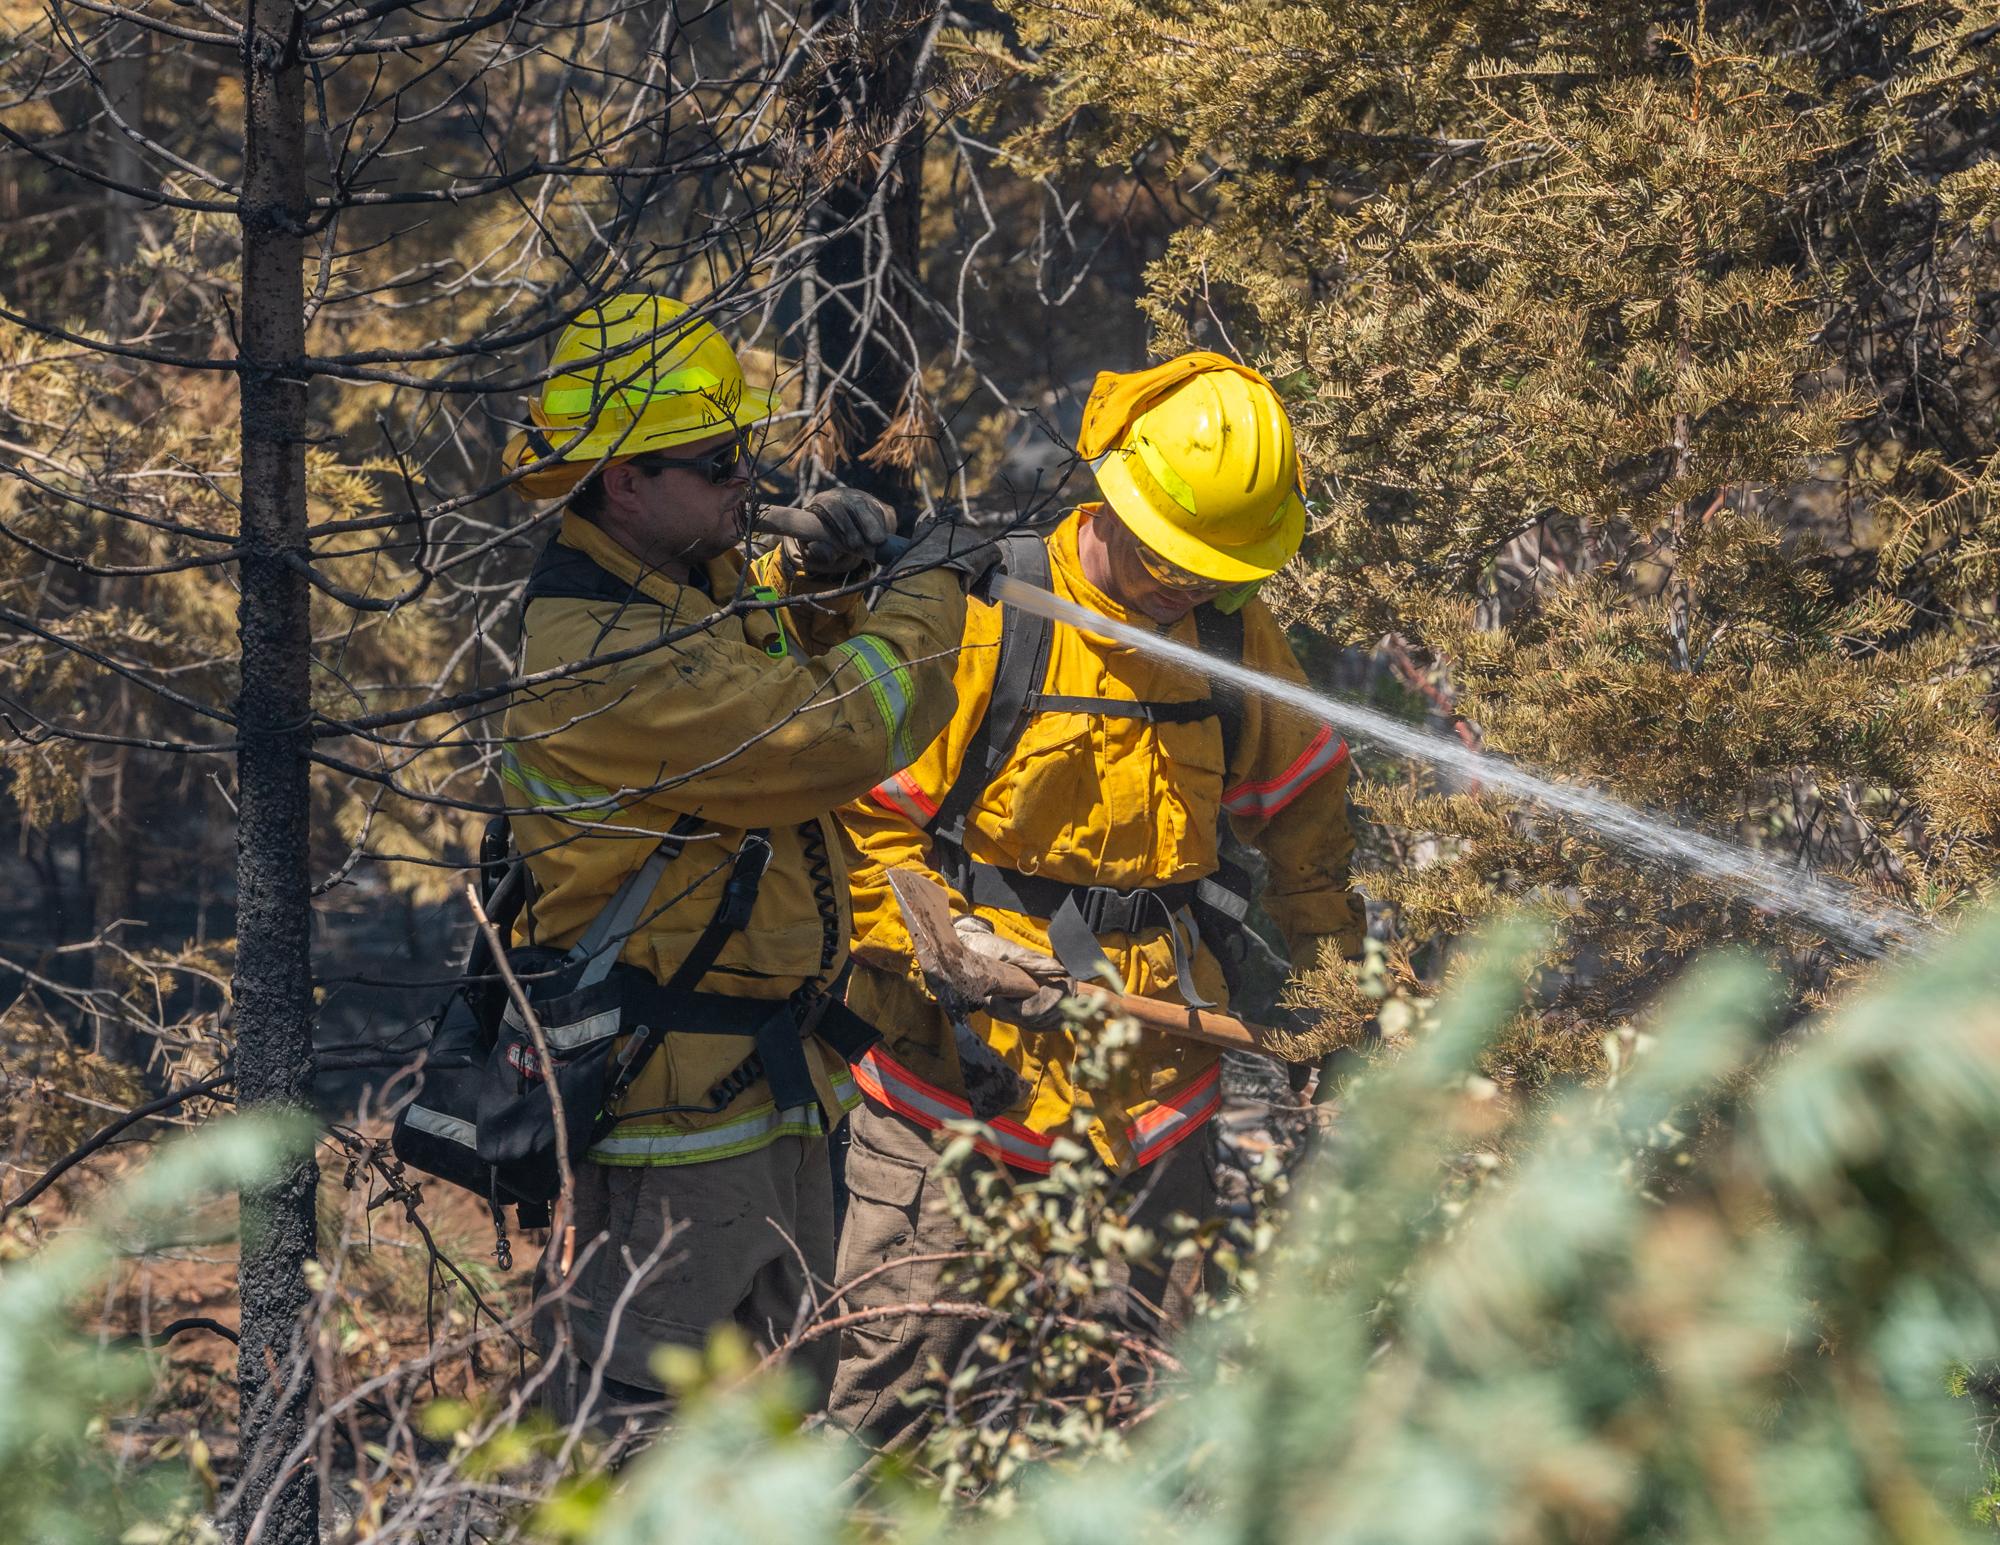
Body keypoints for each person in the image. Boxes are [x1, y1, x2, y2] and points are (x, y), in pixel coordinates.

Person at [826, 352, 1367, 1443]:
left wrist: (1335, 1004)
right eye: (1171, 557)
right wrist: (946, 941)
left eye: (1213, 568)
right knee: (887, 1405)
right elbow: (858, 824)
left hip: (1158, 1088)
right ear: (1111, 493)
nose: (1184, 585)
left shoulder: (1226, 638)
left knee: (1151, 1402)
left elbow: (1307, 828)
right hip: (956, 1089)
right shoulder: (987, 611)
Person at [496, 292, 991, 1423]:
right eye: (717, 464)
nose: (747, 487)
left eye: (746, 458)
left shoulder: (678, 590)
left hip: (759, 1087)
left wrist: (824, 590)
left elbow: (764, 676)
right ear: (623, 480)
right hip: (670, 1114)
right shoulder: (599, 652)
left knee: (773, 1418)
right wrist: (922, 598)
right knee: (641, 1418)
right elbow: (825, 737)